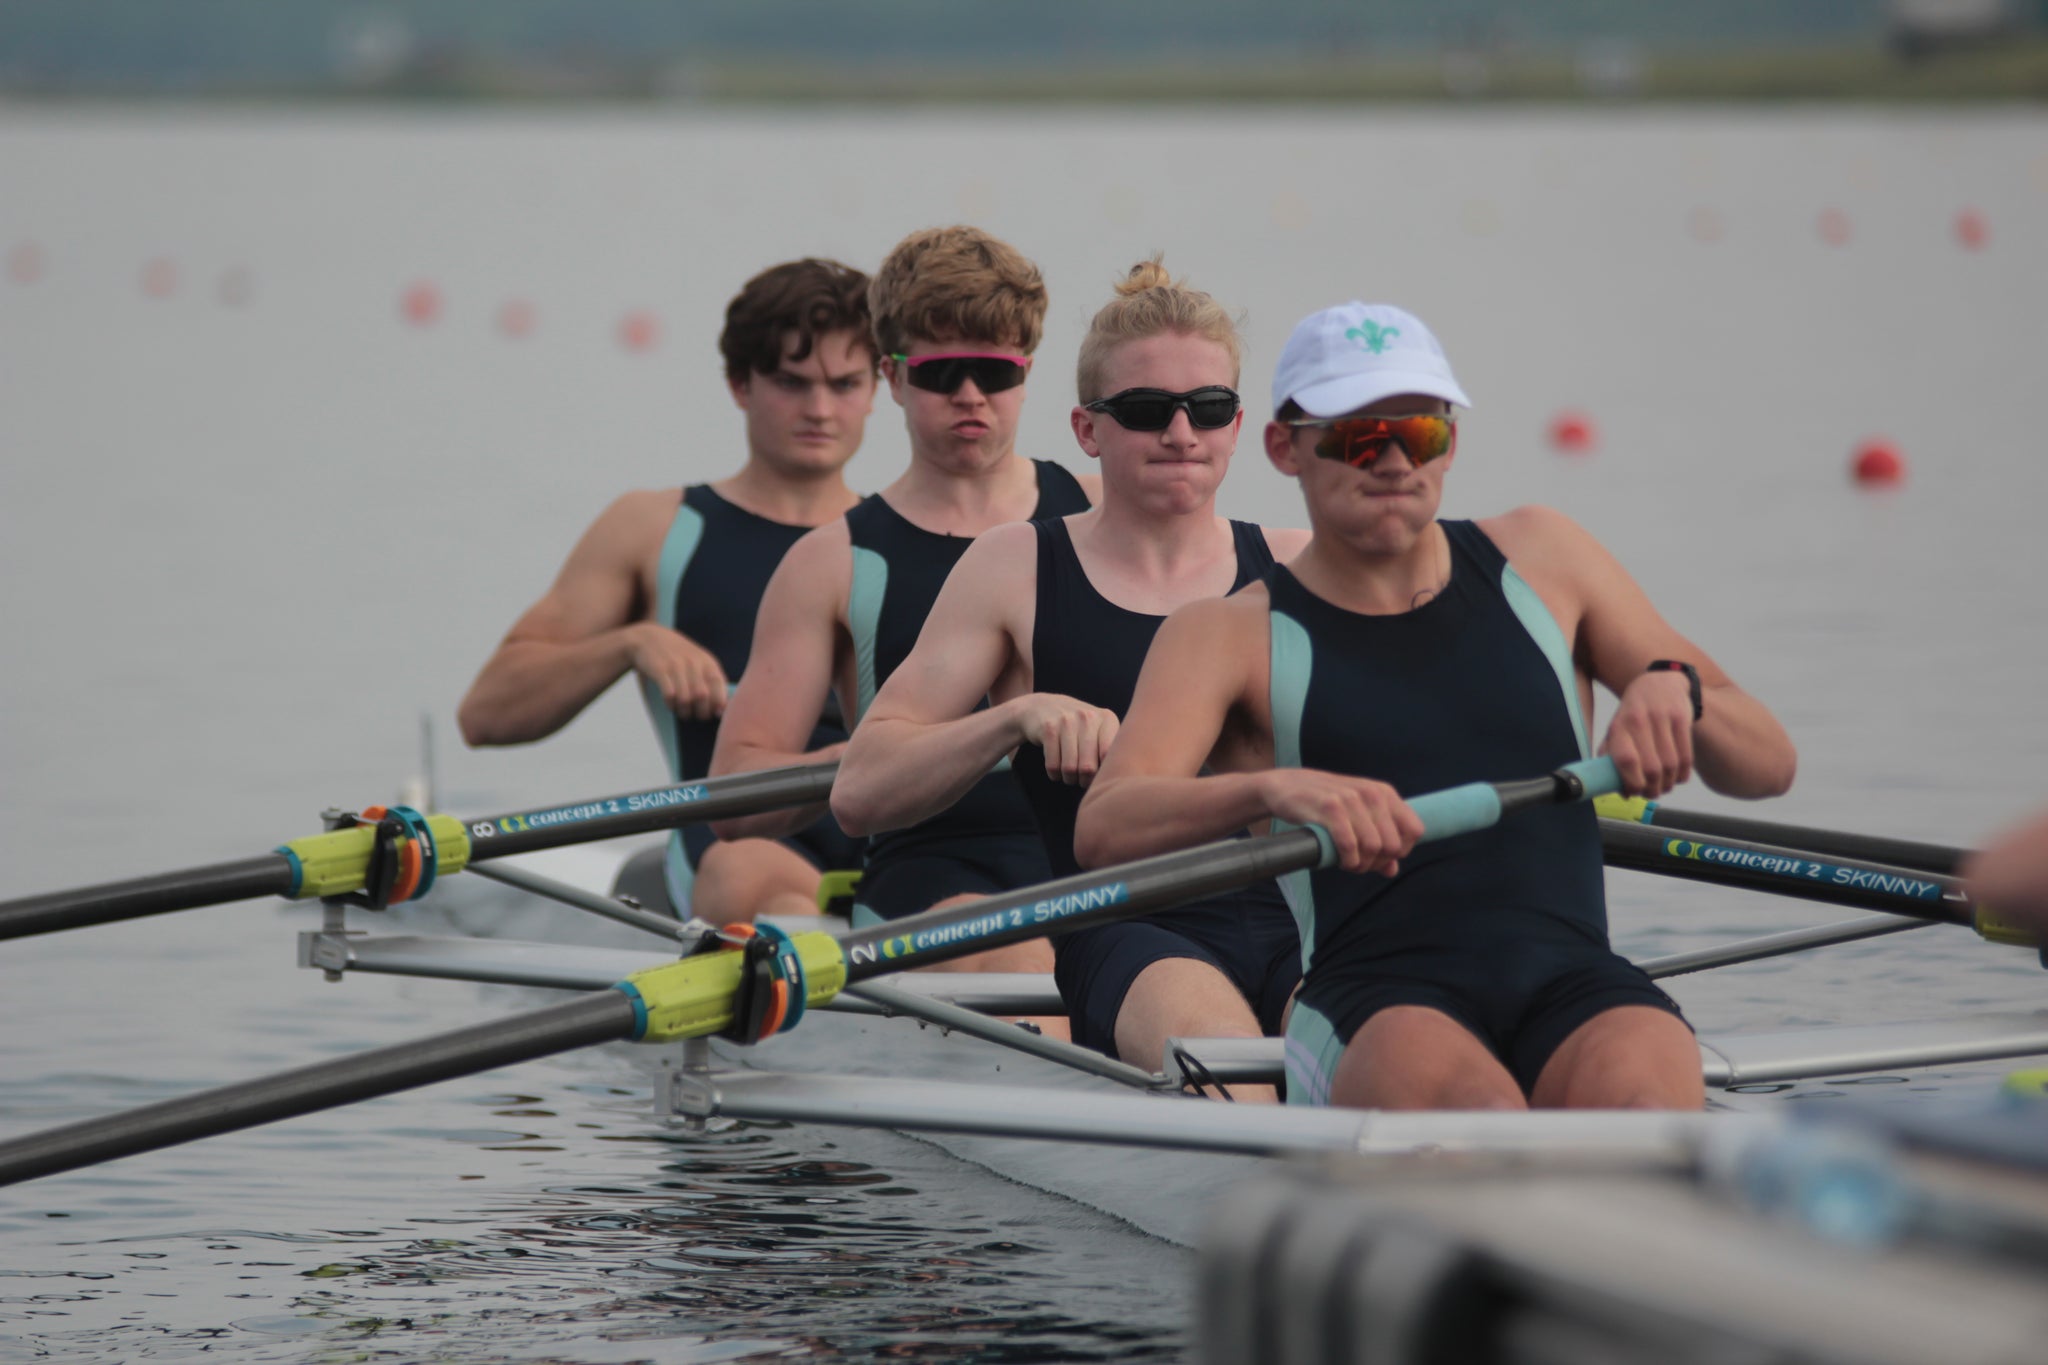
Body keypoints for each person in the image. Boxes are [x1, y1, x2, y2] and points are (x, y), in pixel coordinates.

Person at [1075, 301, 1798, 1110]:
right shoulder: (1228, 634)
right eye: (1356, 434)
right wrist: (1268, 791)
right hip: (1373, 1000)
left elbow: (1770, 766)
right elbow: (1107, 827)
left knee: (1649, 1088)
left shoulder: (1546, 560)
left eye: (1419, 431)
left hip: (1573, 980)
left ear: (1450, 441)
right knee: (1475, 1115)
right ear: (1286, 447)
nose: (1392, 459)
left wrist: (1681, 689)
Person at [830, 259, 1308, 1084]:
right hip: (1129, 929)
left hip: (1309, 925)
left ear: (1238, 425)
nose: (1182, 433)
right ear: (1089, 431)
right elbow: (860, 790)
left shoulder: (1299, 566)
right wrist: (1013, 719)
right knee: (1244, 1078)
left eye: (1211, 408)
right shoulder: (1017, 566)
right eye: (1149, 411)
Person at [709, 226, 1097, 988]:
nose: (970, 396)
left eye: (995, 372)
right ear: (891, 376)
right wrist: (870, 760)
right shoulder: (832, 562)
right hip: (932, 871)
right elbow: (734, 797)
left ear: (1027, 372)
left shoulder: (1101, 512)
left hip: (1099, 857)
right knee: (1028, 960)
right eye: (942, 371)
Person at [457, 258, 876, 924]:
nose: (821, 409)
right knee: (756, 873)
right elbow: (486, 715)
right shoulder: (655, 529)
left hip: (893, 842)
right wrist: (630, 644)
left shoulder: (904, 533)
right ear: (739, 384)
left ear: (880, 386)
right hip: (733, 848)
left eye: (845, 383)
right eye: (792, 383)